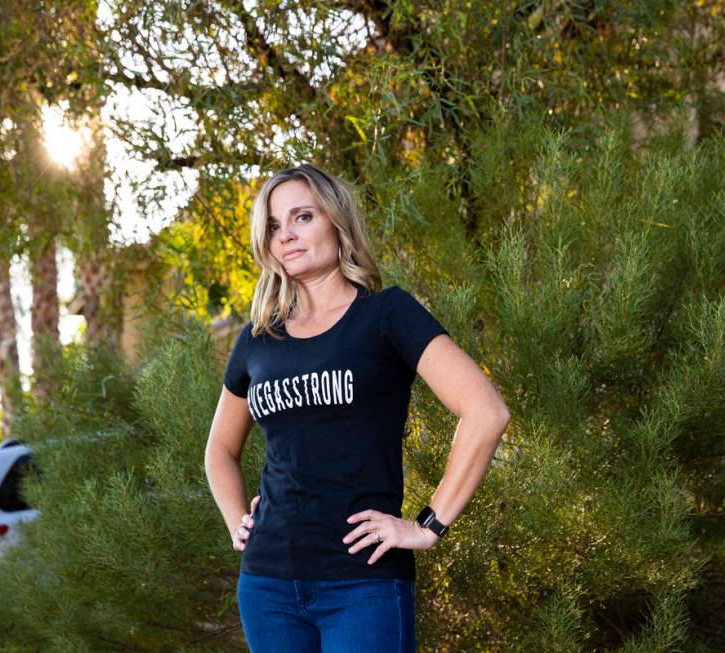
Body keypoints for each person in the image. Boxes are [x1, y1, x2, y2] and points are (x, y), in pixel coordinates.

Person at [204, 163, 510, 653]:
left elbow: (486, 411)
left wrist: (428, 525)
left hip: (362, 584)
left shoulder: (387, 314)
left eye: (302, 217)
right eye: (274, 226)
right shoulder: (257, 339)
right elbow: (219, 448)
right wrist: (236, 519)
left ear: (336, 221)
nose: (287, 235)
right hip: (267, 587)